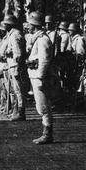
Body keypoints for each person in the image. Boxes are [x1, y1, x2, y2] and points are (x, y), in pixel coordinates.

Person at [26, 12, 56, 144]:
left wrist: (41, 77)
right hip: (35, 75)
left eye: (29, 24)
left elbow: (44, 60)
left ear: (35, 24)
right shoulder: (37, 38)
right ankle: (46, 132)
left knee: (43, 107)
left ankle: (47, 133)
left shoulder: (43, 39)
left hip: (40, 76)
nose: (28, 26)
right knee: (40, 106)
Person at [1, 14, 27, 121]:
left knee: (18, 90)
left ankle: (21, 112)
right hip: (11, 64)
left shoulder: (15, 35)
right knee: (15, 89)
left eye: (6, 24)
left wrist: (9, 54)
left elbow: (18, 53)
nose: (5, 26)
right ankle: (17, 110)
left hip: (15, 65)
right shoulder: (11, 34)